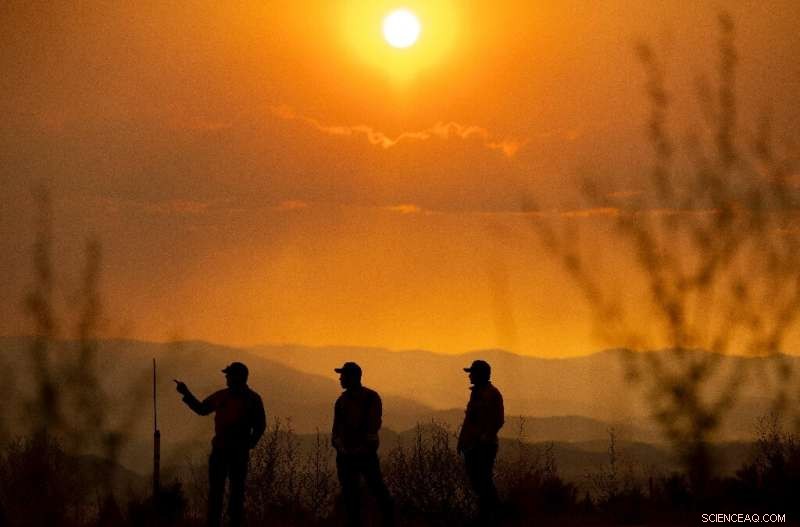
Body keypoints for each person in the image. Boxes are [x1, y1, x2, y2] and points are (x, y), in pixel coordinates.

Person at [174, 362, 266, 527]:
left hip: (228, 452)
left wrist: (249, 444)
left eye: (229, 375)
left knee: (228, 493)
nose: (226, 378)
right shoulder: (249, 398)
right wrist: (186, 393)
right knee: (230, 493)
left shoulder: (244, 398)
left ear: (237, 377)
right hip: (226, 452)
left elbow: (202, 409)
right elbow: (202, 409)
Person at [332, 362, 395, 527]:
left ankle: (389, 520)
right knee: (351, 495)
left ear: (353, 377)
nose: (340, 379)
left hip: (364, 454)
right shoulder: (342, 401)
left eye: (343, 375)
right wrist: (340, 447)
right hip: (347, 456)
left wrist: (358, 448)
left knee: (376, 490)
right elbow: (336, 431)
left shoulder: (369, 398)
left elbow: (373, 426)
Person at [458, 359, 504, 525]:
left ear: (480, 375)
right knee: (478, 482)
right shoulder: (477, 393)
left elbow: (498, 420)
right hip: (472, 445)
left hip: (484, 446)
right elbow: (469, 421)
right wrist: (462, 441)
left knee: (483, 481)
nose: (469, 376)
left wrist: (485, 437)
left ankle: (492, 515)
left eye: (472, 373)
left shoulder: (492, 394)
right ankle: (488, 515)